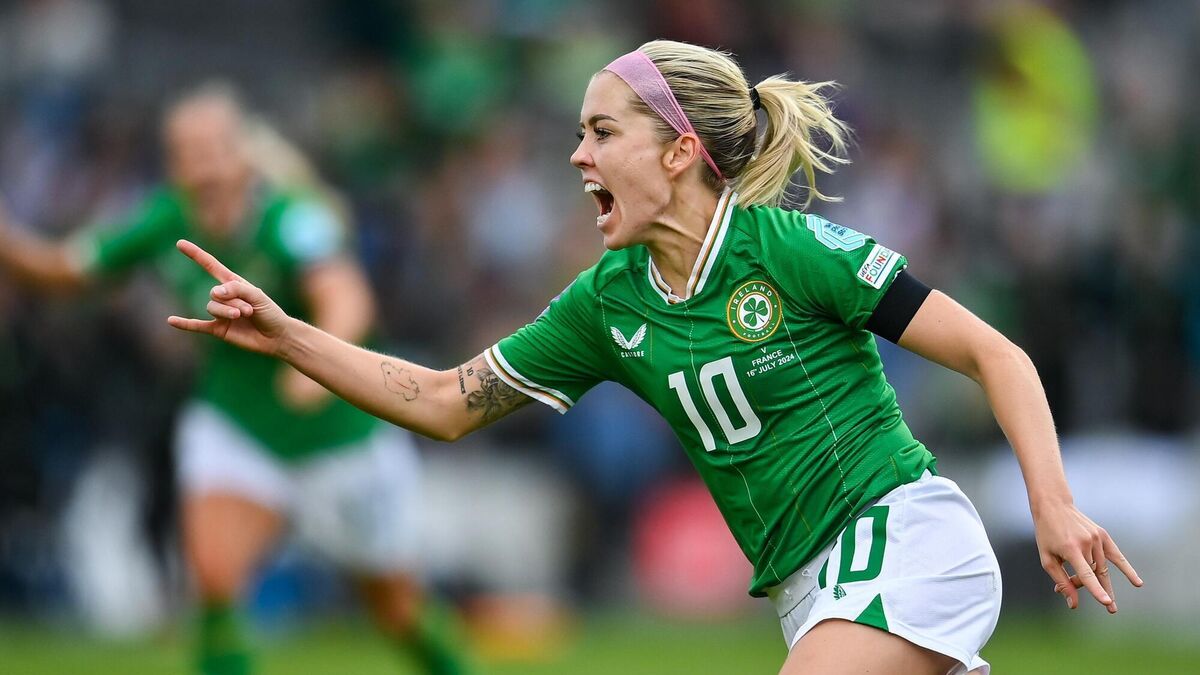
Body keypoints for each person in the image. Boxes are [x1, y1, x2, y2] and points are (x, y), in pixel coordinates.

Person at [164, 42, 1141, 675]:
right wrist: (287, 333)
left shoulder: (785, 249)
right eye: (577, 135)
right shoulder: (607, 304)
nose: (578, 157)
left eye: (601, 132)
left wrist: (1052, 505)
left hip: (902, 538)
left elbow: (995, 352)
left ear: (677, 152)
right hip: (807, 591)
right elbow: (443, 400)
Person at [0, 85, 474, 675]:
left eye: (212, 149)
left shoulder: (294, 219)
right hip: (237, 425)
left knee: (395, 608)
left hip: (337, 436)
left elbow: (347, 299)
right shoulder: (165, 220)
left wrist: (313, 374)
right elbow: (62, 271)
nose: (201, 166)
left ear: (242, 155)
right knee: (215, 581)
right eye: (186, 153)